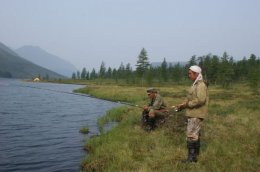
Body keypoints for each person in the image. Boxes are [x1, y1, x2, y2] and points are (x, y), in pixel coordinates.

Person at [173, 65, 209, 163]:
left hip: (196, 114)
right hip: (193, 114)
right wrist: (182, 105)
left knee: (191, 135)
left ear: (196, 74)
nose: (188, 75)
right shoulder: (195, 84)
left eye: (190, 73)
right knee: (195, 135)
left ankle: (191, 159)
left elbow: (200, 100)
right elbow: (190, 99)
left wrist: (187, 104)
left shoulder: (201, 85)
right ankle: (195, 156)